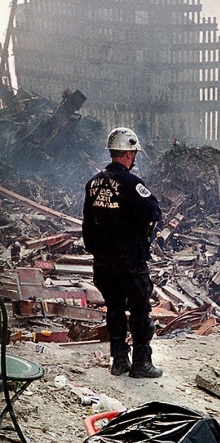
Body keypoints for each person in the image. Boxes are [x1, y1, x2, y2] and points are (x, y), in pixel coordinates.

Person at [83, 127, 163, 379]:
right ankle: (141, 363)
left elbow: (87, 224)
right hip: (130, 260)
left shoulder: (93, 183)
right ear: (128, 153)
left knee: (114, 308)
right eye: (134, 153)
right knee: (140, 309)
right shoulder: (131, 183)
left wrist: (98, 250)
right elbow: (153, 213)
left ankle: (119, 361)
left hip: (104, 262)